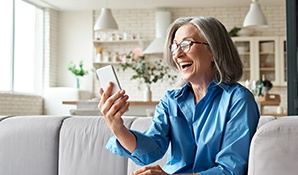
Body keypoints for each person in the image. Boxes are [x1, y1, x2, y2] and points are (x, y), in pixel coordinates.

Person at [98, 16, 260, 175]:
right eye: (174, 47)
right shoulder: (171, 100)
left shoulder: (238, 100)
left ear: (213, 51)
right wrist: (117, 127)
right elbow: (150, 151)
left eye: (186, 44)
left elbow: (230, 169)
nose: (177, 54)